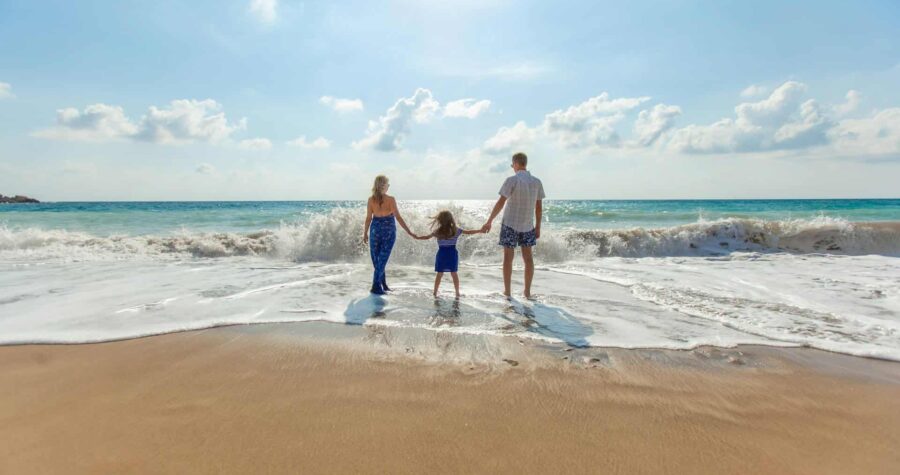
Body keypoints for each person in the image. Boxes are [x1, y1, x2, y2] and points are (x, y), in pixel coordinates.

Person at [481, 152, 545, 299]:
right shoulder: (537, 182)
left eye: (512, 165)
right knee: (528, 259)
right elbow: (539, 208)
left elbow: (501, 202)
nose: (512, 168)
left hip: (510, 224)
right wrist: (538, 227)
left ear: (516, 163)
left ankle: (508, 292)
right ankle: (527, 292)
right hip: (528, 225)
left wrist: (489, 220)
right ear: (525, 163)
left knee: (508, 259)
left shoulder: (512, 180)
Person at [363, 175, 416, 294]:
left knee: (379, 260)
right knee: (380, 260)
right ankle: (376, 286)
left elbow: (368, 219)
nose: (389, 186)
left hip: (375, 230)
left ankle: (382, 284)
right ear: (384, 186)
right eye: (388, 184)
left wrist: (365, 233)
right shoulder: (390, 199)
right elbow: (398, 217)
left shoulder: (371, 199)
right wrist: (409, 231)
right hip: (388, 231)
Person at [415, 210, 485, 298]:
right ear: (451, 219)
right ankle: (457, 293)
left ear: (439, 220)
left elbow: (426, 237)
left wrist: (416, 237)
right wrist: (480, 230)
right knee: (454, 273)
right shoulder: (456, 230)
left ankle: (435, 292)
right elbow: (469, 232)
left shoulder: (437, 231)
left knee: (439, 274)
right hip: (452, 254)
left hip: (442, 254)